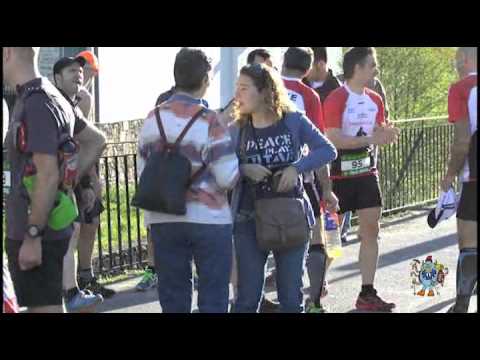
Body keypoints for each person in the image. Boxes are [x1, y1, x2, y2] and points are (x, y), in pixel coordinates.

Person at [137, 48, 240, 313]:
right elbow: (227, 177)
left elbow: (143, 172)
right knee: (213, 295)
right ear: (206, 81)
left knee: (173, 297)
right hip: (209, 219)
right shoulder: (209, 120)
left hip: (164, 218)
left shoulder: (153, 118)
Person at [3, 47, 103, 313]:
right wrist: (65, 181)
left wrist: (33, 235)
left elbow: (46, 174)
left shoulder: (36, 102)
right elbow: (95, 140)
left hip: (35, 235)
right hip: (42, 231)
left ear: (7, 53)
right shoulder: (50, 96)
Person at [230, 63, 337, 313]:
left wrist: (296, 168)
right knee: (247, 298)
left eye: (244, 88)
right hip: (248, 219)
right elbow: (219, 166)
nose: (238, 95)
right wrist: (244, 169)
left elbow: (327, 150)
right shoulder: (237, 129)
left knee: (290, 298)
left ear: (265, 91)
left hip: (291, 217)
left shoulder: (293, 120)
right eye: (237, 88)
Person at [324, 47, 400, 312]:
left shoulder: (375, 100)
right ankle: (314, 287)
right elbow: (332, 138)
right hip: (337, 174)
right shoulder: (336, 98)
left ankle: (367, 292)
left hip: (366, 172)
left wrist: (387, 133)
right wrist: (370, 139)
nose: (375, 70)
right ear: (357, 68)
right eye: (372, 65)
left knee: (371, 229)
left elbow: (379, 129)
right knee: (330, 238)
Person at [52, 56, 107, 311]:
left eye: (80, 71)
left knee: (72, 232)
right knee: (65, 235)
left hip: (65, 183)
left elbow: (90, 143)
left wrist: (82, 183)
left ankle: (71, 291)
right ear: (57, 78)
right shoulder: (51, 104)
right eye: (72, 70)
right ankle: (66, 293)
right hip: (46, 184)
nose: (79, 74)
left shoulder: (72, 105)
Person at [68, 50, 115, 298]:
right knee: (80, 225)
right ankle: (77, 280)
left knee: (89, 224)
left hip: (77, 166)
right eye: (90, 73)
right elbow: (84, 141)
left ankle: (83, 277)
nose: (88, 78)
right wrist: (91, 180)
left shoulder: (78, 95)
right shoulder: (82, 97)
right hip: (81, 168)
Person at [442, 47, 477, 313]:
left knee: (468, 243)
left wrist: (449, 174)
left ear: (466, 59)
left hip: (474, 177)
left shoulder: (462, 88)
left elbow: (463, 140)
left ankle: (462, 304)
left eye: (456, 59)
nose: (455, 64)